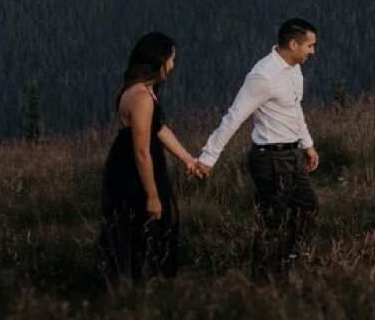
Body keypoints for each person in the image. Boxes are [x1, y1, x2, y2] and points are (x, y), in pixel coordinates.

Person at [198, 17, 320, 277]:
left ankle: (287, 259)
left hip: (292, 153)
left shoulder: (294, 69)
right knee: (272, 220)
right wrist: (208, 157)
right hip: (270, 158)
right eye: (309, 46)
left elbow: (294, 109)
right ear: (293, 44)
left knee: (307, 205)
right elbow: (234, 116)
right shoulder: (263, 76)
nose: (313, 51)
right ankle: (264, 276)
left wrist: (307, 144)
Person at [99, 31, 208, 286]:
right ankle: (148, 282)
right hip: (134, 169)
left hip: (129, 161)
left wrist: (187, 159)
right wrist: (152, 195)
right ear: (159, 61)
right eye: (171, 59)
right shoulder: (141, 97)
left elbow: (158, 128)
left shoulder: (138, 90)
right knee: (151, 222)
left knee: (143, 225)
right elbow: (141, 151)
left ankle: (143, 282)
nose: (172, 65)